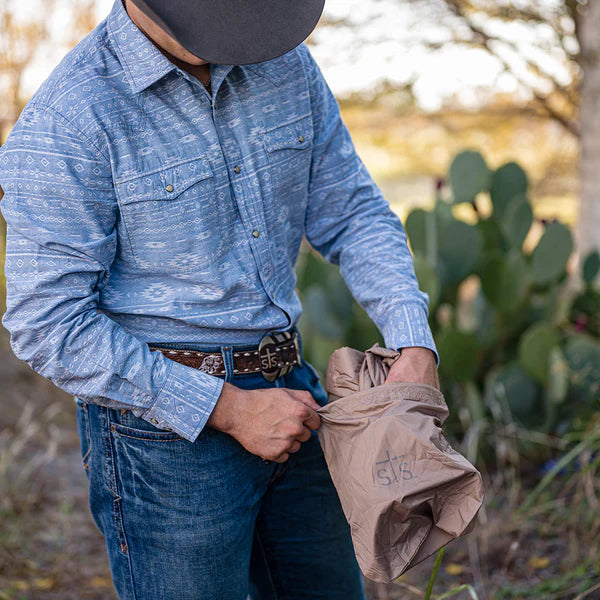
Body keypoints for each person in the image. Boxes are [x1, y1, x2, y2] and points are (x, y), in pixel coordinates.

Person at [0, 0, 440, 598]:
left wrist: (413, 339)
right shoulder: (69, 119)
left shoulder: (287, 65)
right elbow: (47, 322)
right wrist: (228, 408)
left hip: (295, 394)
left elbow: (353, 212)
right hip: (163, 440)